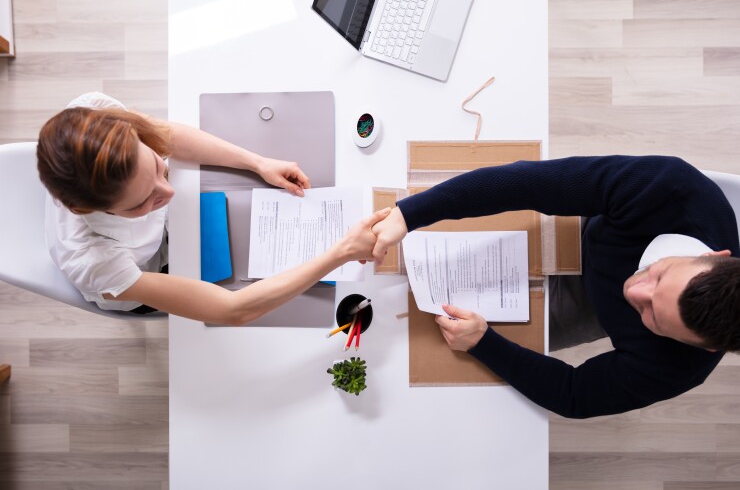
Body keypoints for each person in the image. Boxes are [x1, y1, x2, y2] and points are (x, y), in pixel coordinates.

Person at [370, 155, 740, 418]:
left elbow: (574, 395)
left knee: (416, 335)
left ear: (704, 349)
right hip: (597, 228)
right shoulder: (671, 188)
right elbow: (525, 183)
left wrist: (485, 344)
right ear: (717, 256)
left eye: (652, 317)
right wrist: (409, 214)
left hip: (588, 308)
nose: (633, 292)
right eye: (658, 274)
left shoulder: (678, 368)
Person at [38, 92, 389, 325]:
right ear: (92, 209)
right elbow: (232, 309)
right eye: (144, 201)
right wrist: (340, 252)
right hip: (145, 277)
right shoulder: (95, 263)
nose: (169, 191)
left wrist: (257, 162)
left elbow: (166, 136)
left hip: (165, 237)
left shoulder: (94, 114)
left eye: (158, 168)